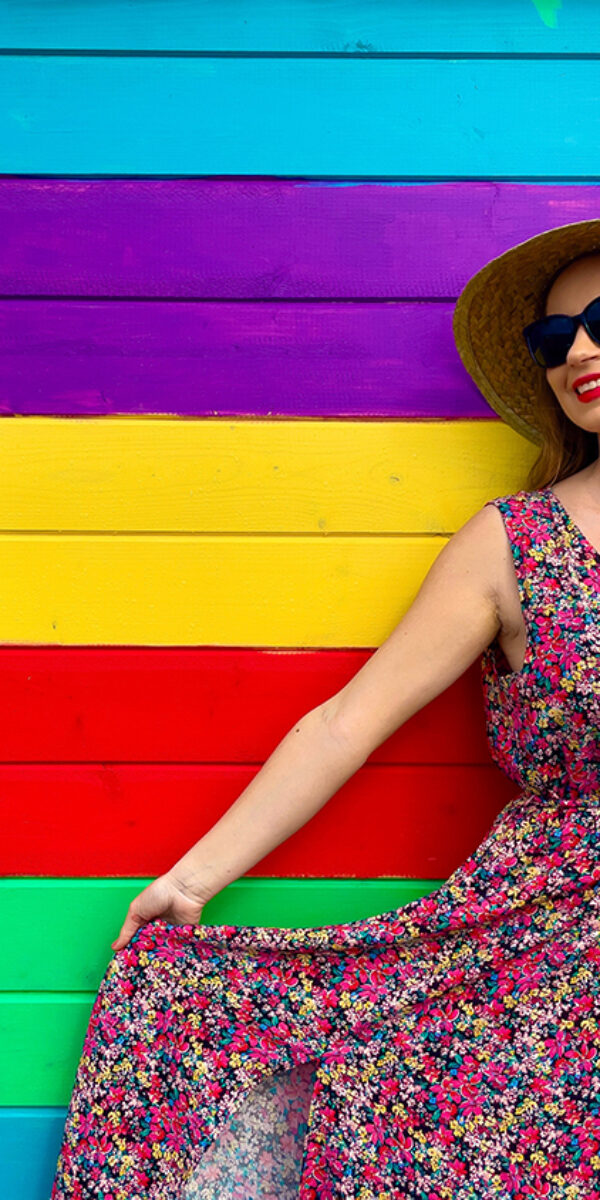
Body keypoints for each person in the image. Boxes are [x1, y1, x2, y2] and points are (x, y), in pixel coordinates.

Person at [51, 220, 600, 1199]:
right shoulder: (516, 544)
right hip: (541, 961)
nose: (581, 355)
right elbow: (348, 720)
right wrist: (193, 878)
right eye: (555, 342)